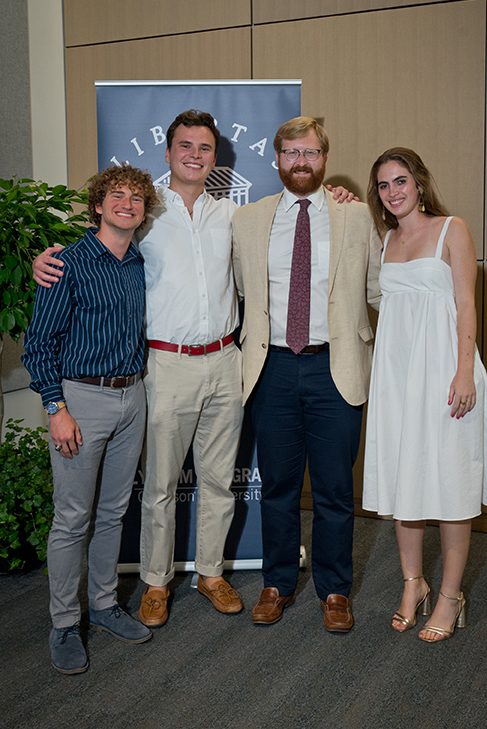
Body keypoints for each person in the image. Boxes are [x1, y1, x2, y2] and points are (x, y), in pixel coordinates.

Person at [34, 110, 354, 629]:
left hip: (227, 361)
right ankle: (156, 583)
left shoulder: (235, 216)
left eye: (204, 148)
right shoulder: (144, 215)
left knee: (218, 482)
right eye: (185, 146)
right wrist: (44, 261)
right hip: (165, 365)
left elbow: (295, 225)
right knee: (159, 485)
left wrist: (337, 195)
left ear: (214, 157)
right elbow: (91, 246)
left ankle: (210, 573)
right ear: (168, 153)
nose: (194, 155)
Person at [232, 116, 382, 632]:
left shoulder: (357, 216)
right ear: (276, 159)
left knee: (335, 489)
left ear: (324, 158)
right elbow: (231, 291)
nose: (300, 162)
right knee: (277, 485)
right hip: (271, 367)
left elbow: (382, 288)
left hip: (334, 367)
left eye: (310, 153)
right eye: (291, 153)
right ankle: (277, 583)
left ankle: (335, 590)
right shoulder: (246, 220)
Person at [362, 147, 487, 642]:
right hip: (397, 376)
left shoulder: (452, 229)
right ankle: (412, 583)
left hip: (445, 371)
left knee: (449, 481)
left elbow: (467, 303)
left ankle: (449, 595)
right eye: (383, 184)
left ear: (419, 183)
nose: (393, 191)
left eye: (401, 180)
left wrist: (464, 371)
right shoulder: (384, 240)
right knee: (407, 481)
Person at [22, 164, 158, 674]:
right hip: (81, 401)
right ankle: (63, 622)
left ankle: (102, 606)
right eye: (116, 196)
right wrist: (56, 408)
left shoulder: (141, 262)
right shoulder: (67, 263)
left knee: (113, 512)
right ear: (98, 205)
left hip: (133, 396)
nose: (127, 203)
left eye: (137, 198)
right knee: (72, 517)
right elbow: (39, 344)